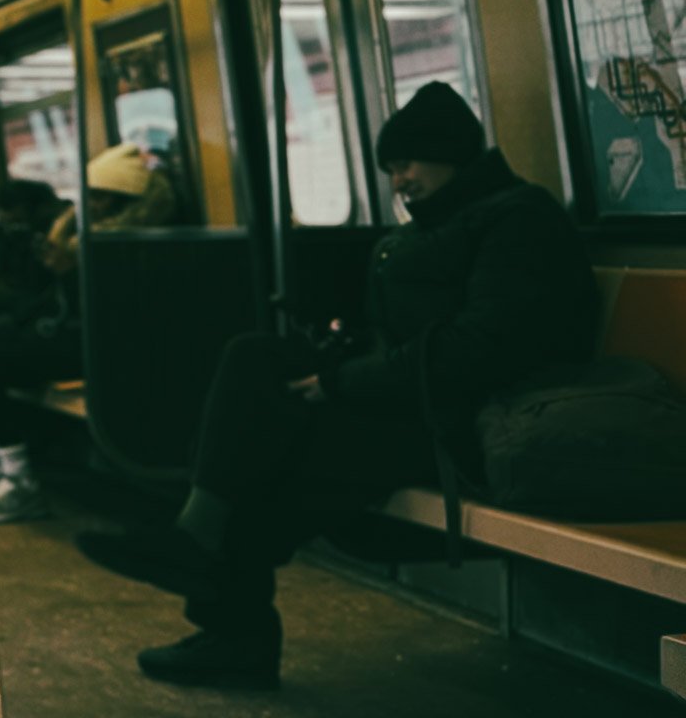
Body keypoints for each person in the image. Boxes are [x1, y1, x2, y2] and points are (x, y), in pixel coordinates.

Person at [76, 82, 597, 689]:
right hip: (417, 404)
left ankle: (230, 624)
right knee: (255, 362)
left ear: (449, 152)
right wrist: (341, 360)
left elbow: (482, 348)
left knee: (270, 465)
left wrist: (343, 383)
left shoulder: (518, 221)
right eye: (389, 169)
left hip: (477, 421)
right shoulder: (429, 229)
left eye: (405, 163)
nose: (398, 180)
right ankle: (199, 546)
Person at [0, 145, 175, 524]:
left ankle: (19, 477)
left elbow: (105, 307)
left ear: (129, 200)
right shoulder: (75, 240)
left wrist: (66, 273)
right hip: (67, 330)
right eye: (88, 196)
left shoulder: (131, 243)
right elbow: (47, 299)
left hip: (102, 341)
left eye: (102, 198)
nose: (91, 206)